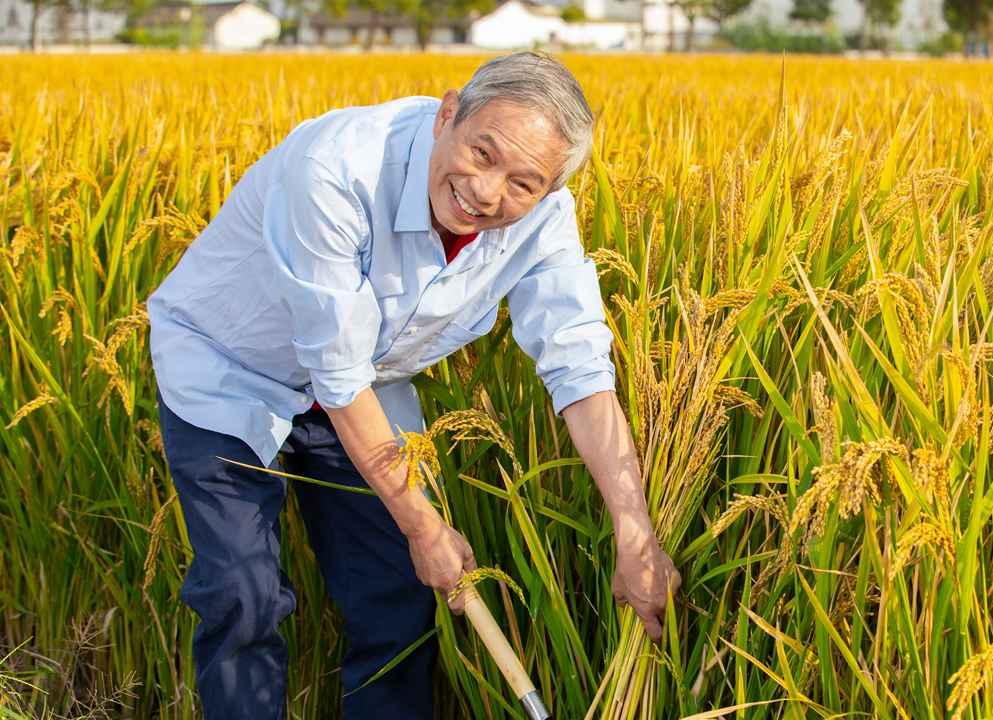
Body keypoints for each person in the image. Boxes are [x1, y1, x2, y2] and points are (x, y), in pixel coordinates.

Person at [146, 51, 680, 719]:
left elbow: (578, 367)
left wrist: (635, 532)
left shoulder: (545, 217)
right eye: (483, 154)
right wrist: (425, 526)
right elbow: (334, 376)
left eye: (523, 184)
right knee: (242, 594)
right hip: (230, 370)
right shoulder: (336, 169)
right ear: (448, 112)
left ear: (549, 190)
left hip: (367, 384)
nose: (488, 193)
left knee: (397, 597)